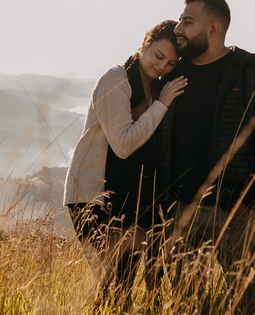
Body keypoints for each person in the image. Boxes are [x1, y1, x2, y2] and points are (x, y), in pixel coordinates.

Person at [154, 0, 255, 275]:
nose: (178, 28)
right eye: (180, 20)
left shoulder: (249, 70)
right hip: (181, 213)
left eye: (187, 22)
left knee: (247, 301)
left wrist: (250, 200)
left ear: (213, 29)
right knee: (184, 307)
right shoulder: (172, 71)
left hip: (236, 214)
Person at [63, 20, 188, 290]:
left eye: (171, 63)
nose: (162, 66)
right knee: (113, 284)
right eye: (158, 56)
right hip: (92, 195)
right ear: (145, 44)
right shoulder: (115, 81)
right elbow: (122, 144)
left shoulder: (155, 86)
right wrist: (161, 105)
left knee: (123, 286)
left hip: (130, 200)